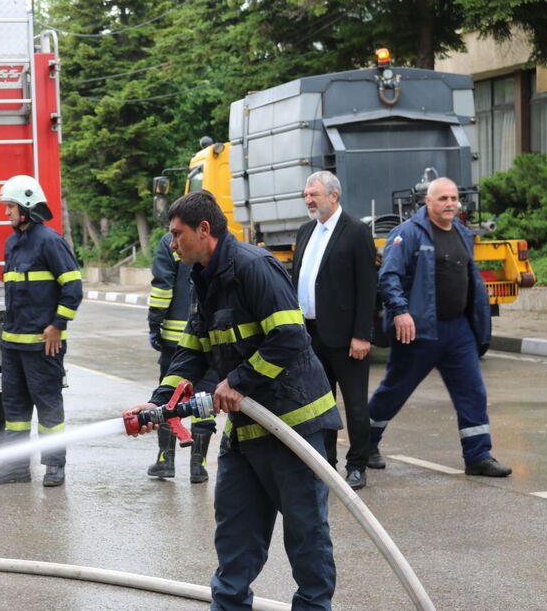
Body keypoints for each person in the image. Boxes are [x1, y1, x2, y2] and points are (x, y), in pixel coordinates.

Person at [126, 190, 341, 610]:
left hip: (293, 427)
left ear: (203, 230)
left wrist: (239, 380)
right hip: (245, 433)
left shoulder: (253, 267)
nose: (172, 243)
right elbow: (192, 350)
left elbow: (290, 336)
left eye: (178, 234)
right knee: (234, 538)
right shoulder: (202, 278)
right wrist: (159, 403)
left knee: (306, 538)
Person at [367, 177, 511, 477]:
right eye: (443, 198)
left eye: (453, 198)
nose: (449, 204)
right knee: (394, 391)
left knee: (473, 392)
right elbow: (389, 276)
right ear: (428, 202)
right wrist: (400, 312)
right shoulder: (407, 233)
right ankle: (365, 444)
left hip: (458, 331)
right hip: (419, 332)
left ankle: (478, 456)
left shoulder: (461, 232)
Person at [0, 175, 83, 487]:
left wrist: (57, 326)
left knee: (48, 406)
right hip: (13, 345)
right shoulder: (13, 243)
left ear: (27, 207)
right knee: (15, 411)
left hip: (42, 346)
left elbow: (73, 288)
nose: (6, 212)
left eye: (10, 207)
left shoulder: (50, 241)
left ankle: (54, 466)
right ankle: (16, 467)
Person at [291, 171, 377, 491]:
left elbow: (367, 287)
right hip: (311, 335)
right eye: (306, 195)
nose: (308, 200)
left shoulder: (355, 232)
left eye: (314, 194)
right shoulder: (305, 231)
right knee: (320, 405)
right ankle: (325, 463)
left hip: (346, 337)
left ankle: (357, 465)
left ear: (334, 196)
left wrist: (362, 334)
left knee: (355, 405)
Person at [147, 231, 217, 483]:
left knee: (169, 398)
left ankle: (165, 460)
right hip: (211, 339)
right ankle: (198, 466)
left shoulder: (169, 241)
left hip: (176, 341)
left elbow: (162, 287)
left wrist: (155, 324)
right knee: (205, 398)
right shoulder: (214, 241)